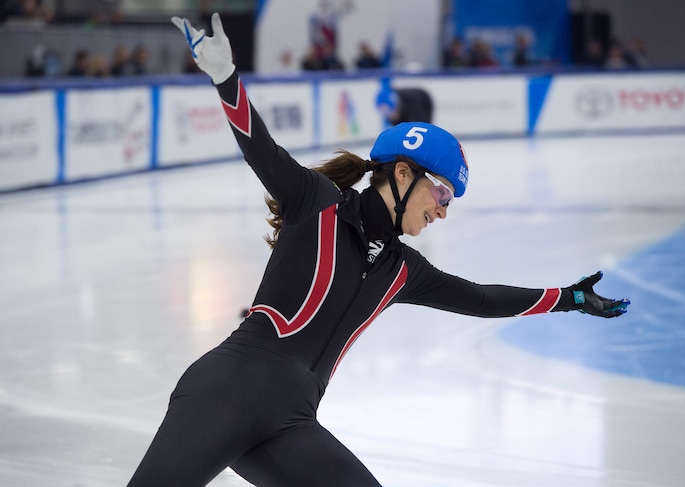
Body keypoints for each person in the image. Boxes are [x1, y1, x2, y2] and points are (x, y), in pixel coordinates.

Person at [128, 13, 630, 487]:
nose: (443, 211)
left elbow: (478, 298)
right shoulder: (317, 205)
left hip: (290, 421)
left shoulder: (401, 269)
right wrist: (226, 79)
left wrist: (570, 297)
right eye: (442, 195)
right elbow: (261, 149)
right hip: (225, 391)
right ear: (405, 175)